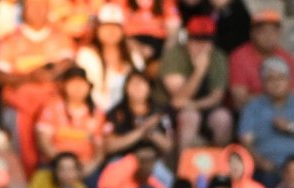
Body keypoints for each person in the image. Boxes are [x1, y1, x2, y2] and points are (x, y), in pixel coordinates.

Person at [0, 0, 74, 174]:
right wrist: (29, 76)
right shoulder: (10, 39)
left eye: (41, 6)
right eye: (32, 7)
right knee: (22, 144)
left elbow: (69, 62)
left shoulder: (60, 37)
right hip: (21, 105)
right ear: (23, 11)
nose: (37, 11)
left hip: (54, 102)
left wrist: (52, 73)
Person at [159, 15, 232, 151]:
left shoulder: (218, 56)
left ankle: (218, 166)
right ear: (188, 40)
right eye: (197, 40)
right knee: (191, 117)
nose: (202, 46)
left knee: (223, 119)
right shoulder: (174, 55)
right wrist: (199, 71)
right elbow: (179, 99)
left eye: (207, 41)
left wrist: (194, 105)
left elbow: (217, 96)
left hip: (200, 106)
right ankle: (184, 167)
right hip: (171, 110)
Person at [75, 4, 143, 113]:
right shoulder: (86, 55)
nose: (111, 31)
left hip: (128, 115)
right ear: (98, 29)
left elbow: (141, 84)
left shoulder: (133, 56)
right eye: (106, 26)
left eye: (116, 26)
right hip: (96, 113)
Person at [238, 57, 294, 179]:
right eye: (270, 79)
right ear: (263, 83)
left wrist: (290, 127)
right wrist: (260, 162)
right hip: (268, 168)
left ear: (289, 80)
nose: (276, 83)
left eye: (281, 78)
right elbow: (245, 141)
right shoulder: (253, 107)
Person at [229, 7, 294, 111]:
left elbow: (291, 95)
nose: (268, 36)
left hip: (284, 112)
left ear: (279, 33)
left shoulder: (286, 57)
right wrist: (275, 97)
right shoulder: (239, 56)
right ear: (252, 33)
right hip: (251, 111)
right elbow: (239, 99)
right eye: (262, 31)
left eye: (273, 31)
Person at [103, 71, 174, 159]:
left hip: (155, 161)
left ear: (150, 88)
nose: (137, 86)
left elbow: (170, 146)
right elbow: (109, 146)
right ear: (126, 88)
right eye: (133, 83)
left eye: (141, 82)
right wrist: (141, 131)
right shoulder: (116, 113)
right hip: (124, 160)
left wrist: (151, 133)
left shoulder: (160, 112)